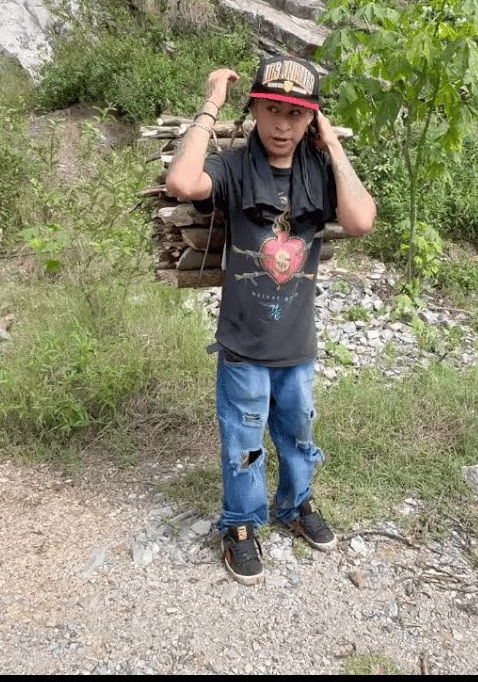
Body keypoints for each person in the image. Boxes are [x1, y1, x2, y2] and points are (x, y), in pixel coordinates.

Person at [164, 54, 377, 585]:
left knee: (299, 435)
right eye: (273, 109)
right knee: (244, 443)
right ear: (255, 109)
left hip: (297, 343)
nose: (283, 124)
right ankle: (240, 525)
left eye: (298, 114)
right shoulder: (235, 167)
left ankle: (296, 504)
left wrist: (333, 145)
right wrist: (212, 101)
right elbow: (183, 182)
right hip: (243, 342)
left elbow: (361, 221)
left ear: (312, 120)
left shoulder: (319, 171)